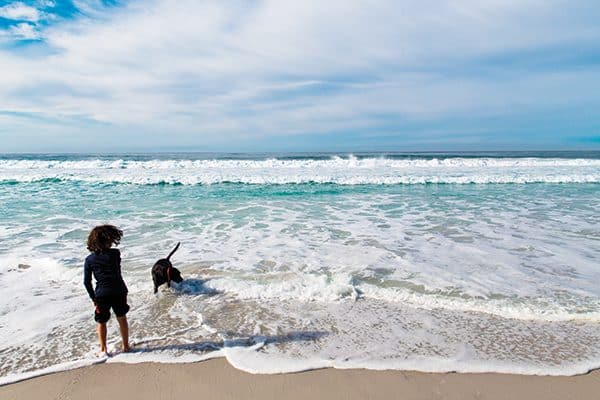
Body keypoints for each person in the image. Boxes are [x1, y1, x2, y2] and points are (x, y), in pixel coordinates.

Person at [83, 224, 131, 355]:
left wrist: (93, 298)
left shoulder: (89, 260)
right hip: (119, 290)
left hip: (102, 294)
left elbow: (87, 282)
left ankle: (103, 349)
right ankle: (126, 346)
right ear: (110, 240)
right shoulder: (115, 254)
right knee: (122, 318)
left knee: (102, 321)